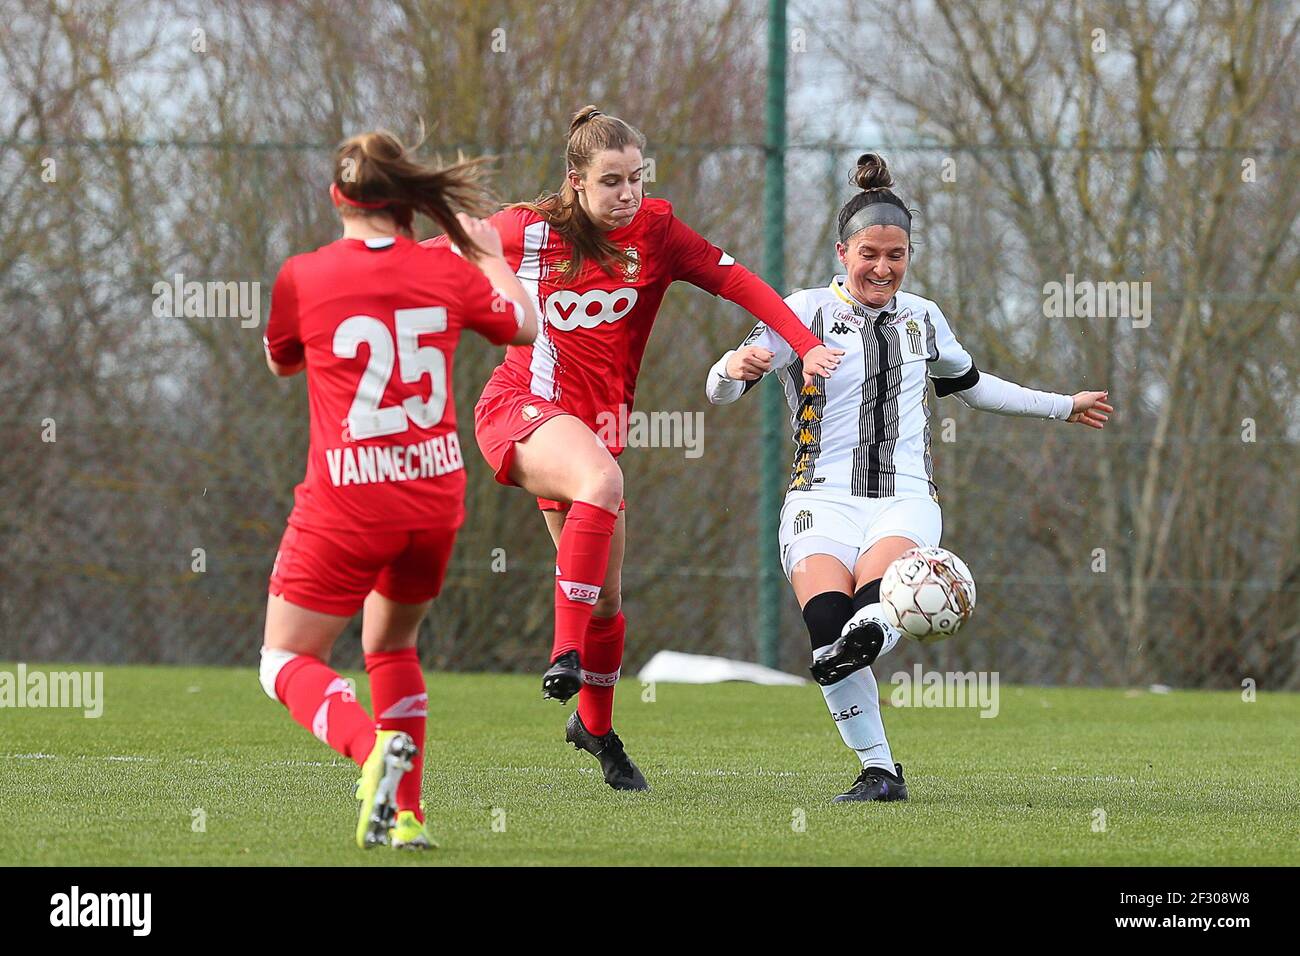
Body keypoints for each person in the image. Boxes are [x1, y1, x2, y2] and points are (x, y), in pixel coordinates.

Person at [434, 105, 843, 792]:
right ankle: (561, 653)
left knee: (605, 601)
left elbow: (737, 283)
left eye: (636, 179)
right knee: (602, 484)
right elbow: (432, 260)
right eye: (612, 181)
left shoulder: (655, 232)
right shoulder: (525, 231)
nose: (628, 194)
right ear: (575, 183)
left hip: (592, 432)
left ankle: (593, 726)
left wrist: (805, 346)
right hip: (519, 409)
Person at [706, 153, 1112, 802]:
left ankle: (875, 648)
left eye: (897, 256)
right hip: (819, 501)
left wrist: (1062, 405)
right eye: (870, 253)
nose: (884, 268)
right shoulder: (801, 311)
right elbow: (719, 391)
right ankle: (880, 770)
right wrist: (736, 363)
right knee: (827, 635)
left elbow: (975, 388)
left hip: (903, 499)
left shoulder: (922, 316)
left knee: (868, 616)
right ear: (843, 252)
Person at [259, 130, 537, 848]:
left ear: (336, 198)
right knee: (391, 644)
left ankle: (366, 745)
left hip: (348, 502)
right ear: (407, 200)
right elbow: (525, 327)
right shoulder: (446, 271)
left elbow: (280, 363)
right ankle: (404, 816)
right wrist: (488, 255)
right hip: (434, 502)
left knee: (284, 660)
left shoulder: (302, 274)